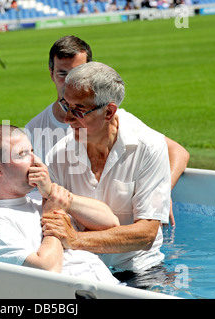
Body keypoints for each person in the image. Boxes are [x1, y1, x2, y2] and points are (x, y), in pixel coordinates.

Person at [24, 35, 189, 225]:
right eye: (63, 73)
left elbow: (177, 152)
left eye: (77, 71)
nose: (70, 79)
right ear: (51, 74)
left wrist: (158, 192)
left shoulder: (116, 121)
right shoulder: (35, 129)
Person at [42, 62, 172, 288]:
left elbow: (146, 234)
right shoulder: (58, 155)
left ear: (109, 112)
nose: (67, 119)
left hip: (139, 271)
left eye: (79, 110)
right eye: (66, 106)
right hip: (80, 269)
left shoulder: (149, 147)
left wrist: (75, 239)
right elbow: (53, 221)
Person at [0, 124, 121, 284]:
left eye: (32, 152)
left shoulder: (43, 198)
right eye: (22, 154)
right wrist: (53, 216)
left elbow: (111, 223)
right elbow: (48, 272)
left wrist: (52, 193)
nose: (37, 161)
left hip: (117, 289)